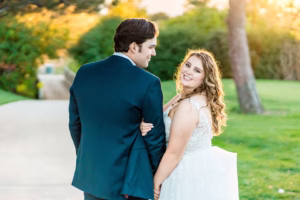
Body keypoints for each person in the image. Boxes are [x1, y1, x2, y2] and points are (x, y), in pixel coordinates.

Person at [69, 18, 166, 200]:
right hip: (129, 183)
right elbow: (155, 138)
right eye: (151, 47)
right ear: (134, 47)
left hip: (91, 176)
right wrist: (158, 178)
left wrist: (88, 158)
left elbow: (75, 124)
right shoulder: (148, 83)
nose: (153, 53)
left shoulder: (84, 73)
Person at [140, 49, 239, 200]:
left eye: (197, 70)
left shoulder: (189, 105)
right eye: (187, 65)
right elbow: (157, 118)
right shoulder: (183, 96)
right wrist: (143, 124)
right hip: (195, 167)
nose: (188, 71)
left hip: (184, 171)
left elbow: (175, 153)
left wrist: (155, 183)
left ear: (204, 78)